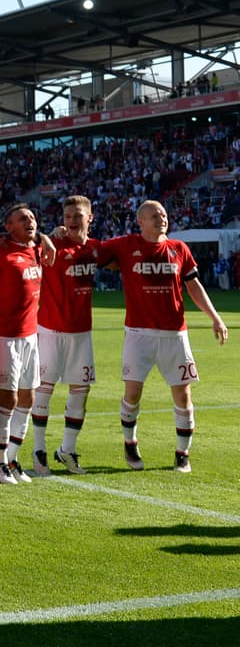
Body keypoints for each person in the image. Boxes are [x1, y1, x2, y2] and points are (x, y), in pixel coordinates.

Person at [100, 200, 228, 472]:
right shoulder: (125, 245)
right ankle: (129, 444)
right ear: (140, 221)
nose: (161, 219)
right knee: (132, 393)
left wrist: (215, 318)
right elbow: (92, 251)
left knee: (183, 396)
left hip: (174, 334)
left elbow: (193, 286)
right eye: (154, 215)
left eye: (164, 215)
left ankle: (183, 454)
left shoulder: (179, 249)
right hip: (138, 334)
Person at [32, 196, 102, 475]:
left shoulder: (97, 249)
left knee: (79, 394)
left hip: (81, 333)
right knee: (43, 392)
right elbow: (22, 241)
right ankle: (39, 452)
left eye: (78, 216)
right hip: (50, 330)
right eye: (68, 216)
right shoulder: (53, 244)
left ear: (90, 218)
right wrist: (47, 236)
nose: (73, 221)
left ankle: (67, 450)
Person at [0, 205, 43, 484]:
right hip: (5, 335)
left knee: (29, 398)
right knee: (7, 399)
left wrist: (48, 239)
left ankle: (12, 458)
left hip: (31, 335)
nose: (30, 221)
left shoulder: (38, 249)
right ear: (9, 226)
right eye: (23, 218)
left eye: (32, 217)